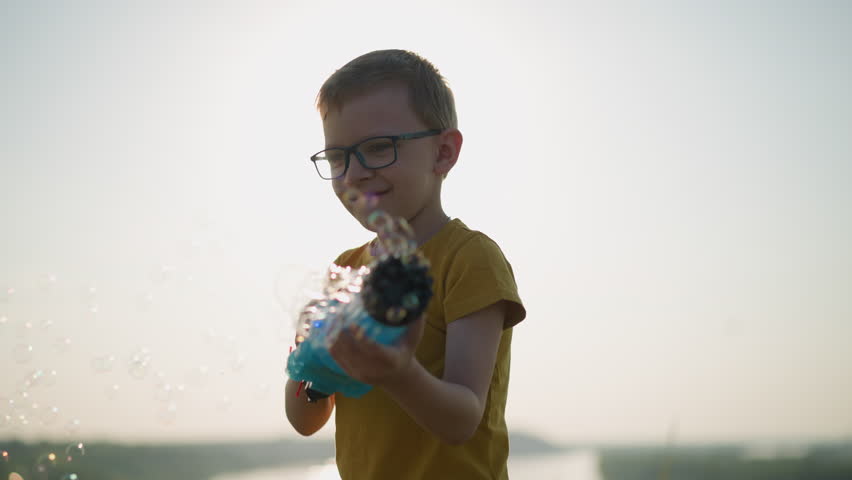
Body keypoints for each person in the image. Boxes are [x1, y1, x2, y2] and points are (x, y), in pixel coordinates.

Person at [285, 49, 526, 479]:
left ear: (444, 153)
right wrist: (311, 358)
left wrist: (397, 373)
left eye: (378, 148)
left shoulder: (468, 258)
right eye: (338, 157)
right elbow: (305, 421)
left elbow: (461, 419)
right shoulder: (347, 270)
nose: (353, 174)